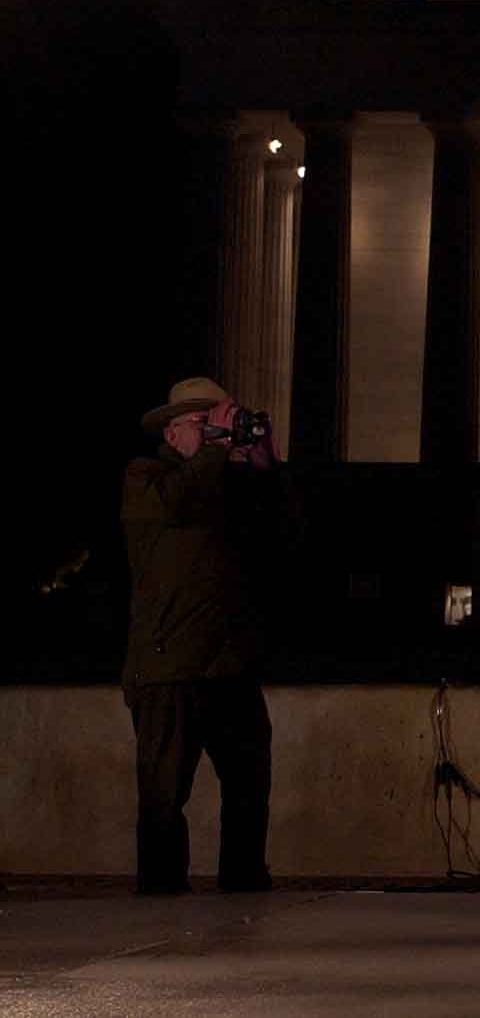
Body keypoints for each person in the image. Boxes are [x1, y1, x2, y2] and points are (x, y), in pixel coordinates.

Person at [122, 376, 280, 894]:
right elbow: (178, 504)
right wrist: (215, 450)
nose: (216, 433)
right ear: (172, 434)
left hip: (228, 667)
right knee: (164, 799)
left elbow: (287, 539)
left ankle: (244, 882)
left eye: (220, 422)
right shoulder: (146, 477)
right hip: (167, 669)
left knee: (249, 781)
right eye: (202, 423)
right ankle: (162, 894)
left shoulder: (228, 487)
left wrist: (265, 468)